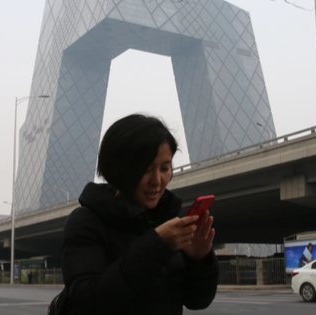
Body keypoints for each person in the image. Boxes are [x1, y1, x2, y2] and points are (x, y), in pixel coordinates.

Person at [59, 114, 218, 314]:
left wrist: (198, 261)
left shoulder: (166, 221)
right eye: (146, 169)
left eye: (165, 168)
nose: (157, 180)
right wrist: (157, 245)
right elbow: (88, 301)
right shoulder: (86, 222)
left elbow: (197, 301)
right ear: (120, 168)